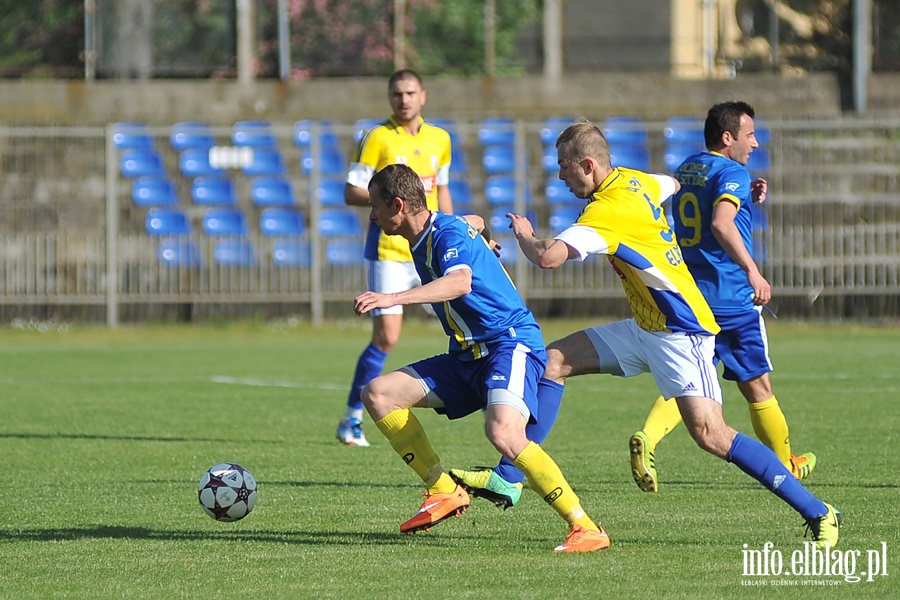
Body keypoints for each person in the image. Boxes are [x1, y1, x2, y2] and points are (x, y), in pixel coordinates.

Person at [453, 118, 841, 548]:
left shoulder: (608, 211)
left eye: (564, 167)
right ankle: (509, 478)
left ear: (587, 164)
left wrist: (525, 235)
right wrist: (740, 193)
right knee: (551, 363)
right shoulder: (637, 182)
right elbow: (672, 186)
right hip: (645, 327)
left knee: (712, 435)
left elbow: (547, 259)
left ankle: (819, 511)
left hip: (681, 333)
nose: (559, 176)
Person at [355, 163, 608, 553]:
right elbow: (475, 219)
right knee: (378, 394)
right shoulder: (434, 231)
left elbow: (460, 282)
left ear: (399, 205)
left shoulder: (445, 233)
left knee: (504, 433)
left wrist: (392, 298)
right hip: (468, 356)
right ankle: (443, 489)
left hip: (509, 344)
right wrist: (484, 239)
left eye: (375, 206)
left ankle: (585, 527)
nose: (371, 215)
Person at [629, 101, 815, 494]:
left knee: (688, 382)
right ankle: (786, 465)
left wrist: (745, 191)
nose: (755, 142)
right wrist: (753, 270)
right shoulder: (732, 170)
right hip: (730, 297)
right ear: (728, 137)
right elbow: (720, 221)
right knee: (758, 387)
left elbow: (706, 203)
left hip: (692, 296)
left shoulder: (689, 167)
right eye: (749, 134)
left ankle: (648, 437)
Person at [337, 69, 454, 447]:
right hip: (389, 251)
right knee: (387, 337)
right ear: (390, 98)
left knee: (463, 317)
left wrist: (458, 230)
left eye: (410, 93)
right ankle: (353, 417)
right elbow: (352, 191)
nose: (403, 100)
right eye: (396, 94)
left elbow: (444, 190)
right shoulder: (377, 138)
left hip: (431, 246)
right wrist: (390, 195)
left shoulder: (441, 139)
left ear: (423, 95)